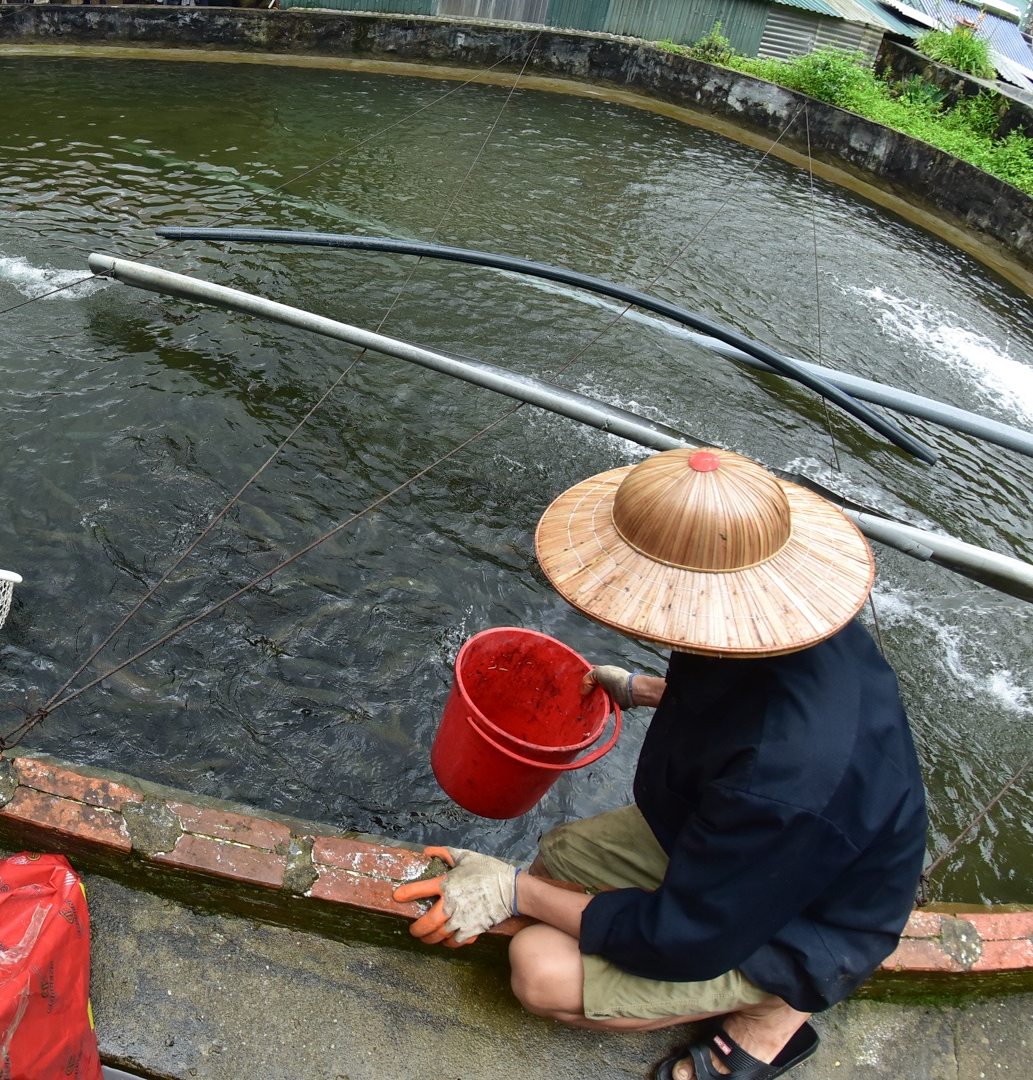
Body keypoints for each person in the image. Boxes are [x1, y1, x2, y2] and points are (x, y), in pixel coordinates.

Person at [394, 447, 926, 1080]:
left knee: (539, 966)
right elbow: (753, 702)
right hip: (745, 837)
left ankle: (776, 1009)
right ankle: (595, 922)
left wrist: (514, 890)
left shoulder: (785, 778)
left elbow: (685, 935)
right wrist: (644, 688)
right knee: (563, 854)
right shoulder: (778, 618)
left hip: (808, 913)